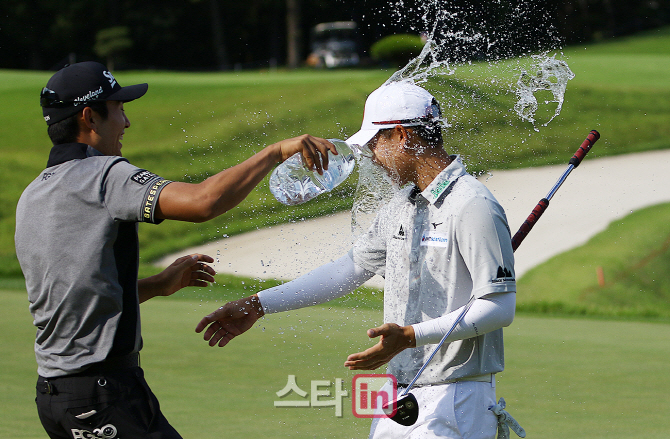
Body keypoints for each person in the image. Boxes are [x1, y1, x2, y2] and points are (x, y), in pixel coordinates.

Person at [14, 61, 335, 439]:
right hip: (103, 395)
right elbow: (203, 202)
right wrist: (276, 152)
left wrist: (157, 285)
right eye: (119, 108)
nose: (126, 122)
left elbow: (77, 297)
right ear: (90, 117)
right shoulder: (104, 175)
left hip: (55, 397)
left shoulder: (33, 194)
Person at [196, 79, 518, 439]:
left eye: (375, 144)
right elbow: (348, 269)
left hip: (456, 396)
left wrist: (410, 336)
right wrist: (259, 304)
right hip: (400, 394)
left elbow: (499, 307)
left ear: (400, 136)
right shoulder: (402, 206)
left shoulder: (472, 204)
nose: (373, 158)